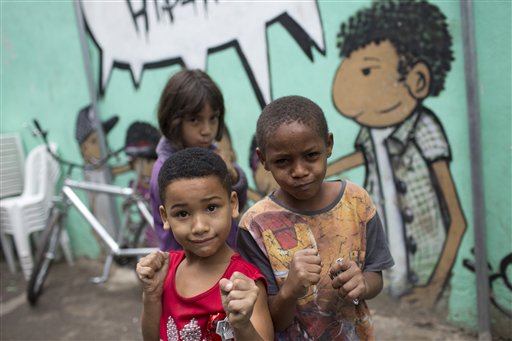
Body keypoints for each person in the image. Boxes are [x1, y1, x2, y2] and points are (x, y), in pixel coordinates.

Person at [329, 0, 466, 305]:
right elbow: (360, 158)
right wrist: (314, 172)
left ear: (416, 80)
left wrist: (435, 287)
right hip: (386, 275)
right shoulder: (369, 133)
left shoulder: (424, 127)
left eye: (367, 70)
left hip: (426, 274)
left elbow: (457, 219)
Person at [237, 95, 394, 340]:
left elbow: (376, 276)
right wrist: (290, 290)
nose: (299, 171)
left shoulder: (357, 201)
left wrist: (362, 283)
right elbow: (268, 322)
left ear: (328, 145)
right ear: (263, 159)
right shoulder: (255, 226)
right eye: (283, 161)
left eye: (311, 155)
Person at [137, 148, 273, 341]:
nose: (199, 227)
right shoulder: (165, 272)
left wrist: (242, 325)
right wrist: (151, 296)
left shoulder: (245, 283)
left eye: (211, 208)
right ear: (165, 217)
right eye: (182, 214)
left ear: (233, 204)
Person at [149, 69, 248, 251]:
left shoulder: (211, 153)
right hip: (191, 266)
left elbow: (236, 207)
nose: (207, 130)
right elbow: (179, 236)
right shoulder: (165, 173)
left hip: (226, 256)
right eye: (195, 120)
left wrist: (232, 175)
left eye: (213, 119)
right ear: (174, 121)